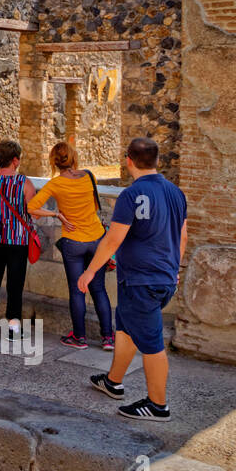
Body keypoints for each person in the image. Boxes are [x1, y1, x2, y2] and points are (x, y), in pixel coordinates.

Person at [80, 138, 187, 422]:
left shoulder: (130, 195)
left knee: (152, 343)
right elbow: (183, 236)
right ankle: (113, 381)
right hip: (163, 278)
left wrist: (90, 271)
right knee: (126, 329)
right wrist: (175, 267)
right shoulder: (177, 193)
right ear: (157, 161)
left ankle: (157, 404)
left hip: (142, 281)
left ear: (128, 160)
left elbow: (113, 239)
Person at [27, 141, 113, 350]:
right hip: (96, 239)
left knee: (77, 290)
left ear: (54, 162)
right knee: (99, 289)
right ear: (73, 157)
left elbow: (32, 207)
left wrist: (57, 214)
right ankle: (108, 338)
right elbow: (94, 206)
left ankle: (80, 338)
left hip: (73, 241)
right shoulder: (89, 176)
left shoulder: (55, 184)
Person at [0, 140, 38, 339]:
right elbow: (33, 212)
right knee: (15, 282)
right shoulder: (24, 182)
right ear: (15, 160)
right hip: (18, 239)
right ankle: (13, 325)